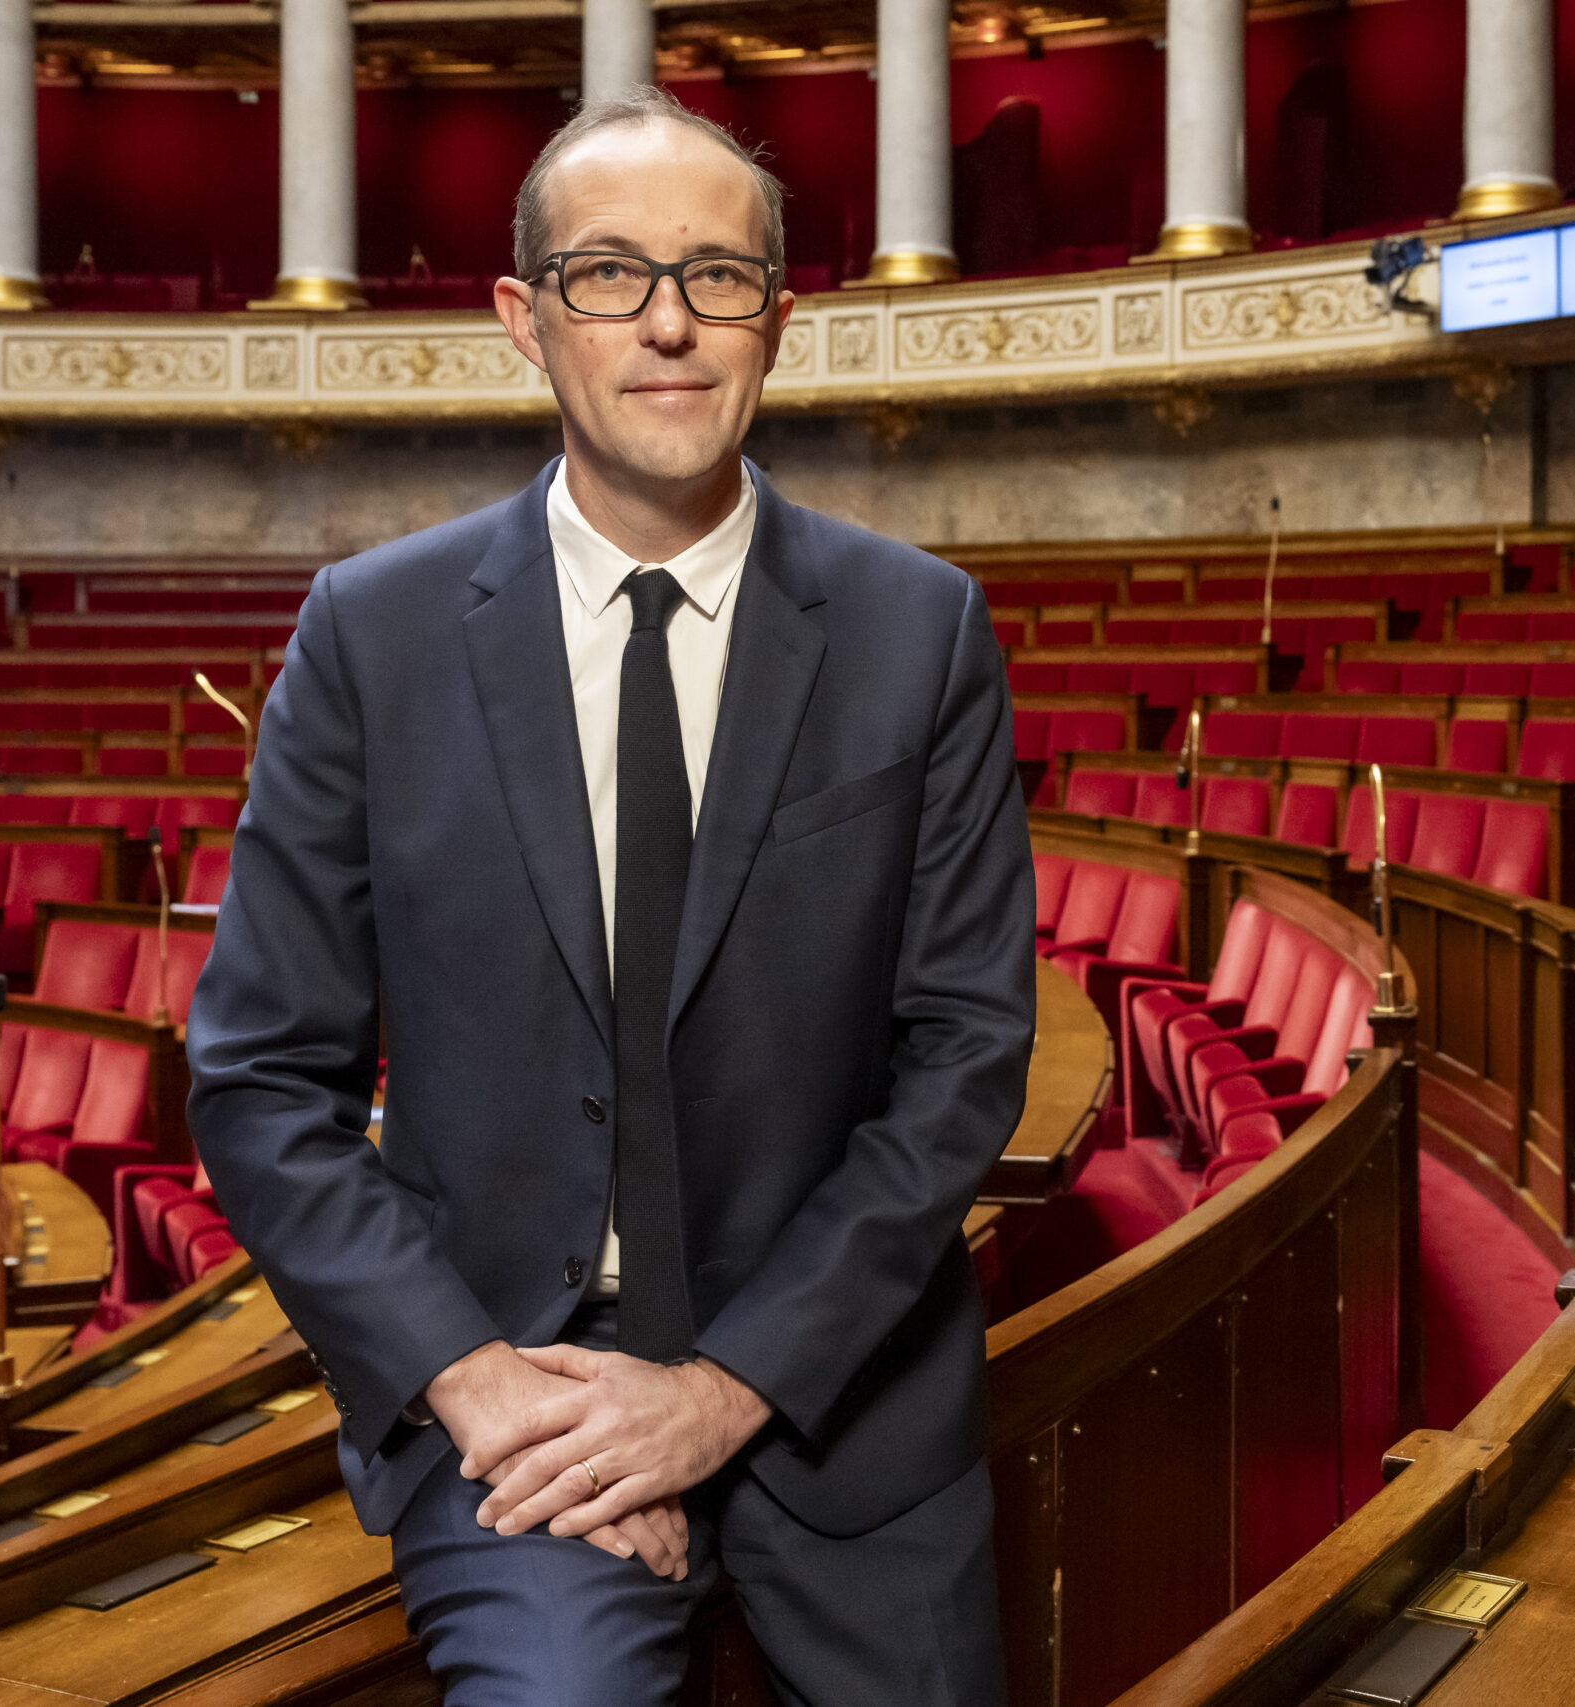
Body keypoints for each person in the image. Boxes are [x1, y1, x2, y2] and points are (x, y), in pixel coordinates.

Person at [186, 87, 1034, 1706]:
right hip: (521, 1399)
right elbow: (260, 1080)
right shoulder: (372, 637)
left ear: (777, 323)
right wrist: (474, 1384)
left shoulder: (919, 630)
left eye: (719, 278)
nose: (668, 324)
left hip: (838, 1399)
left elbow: (963, 1061)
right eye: (608, 275)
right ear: (525, 319)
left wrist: (722, 1392)